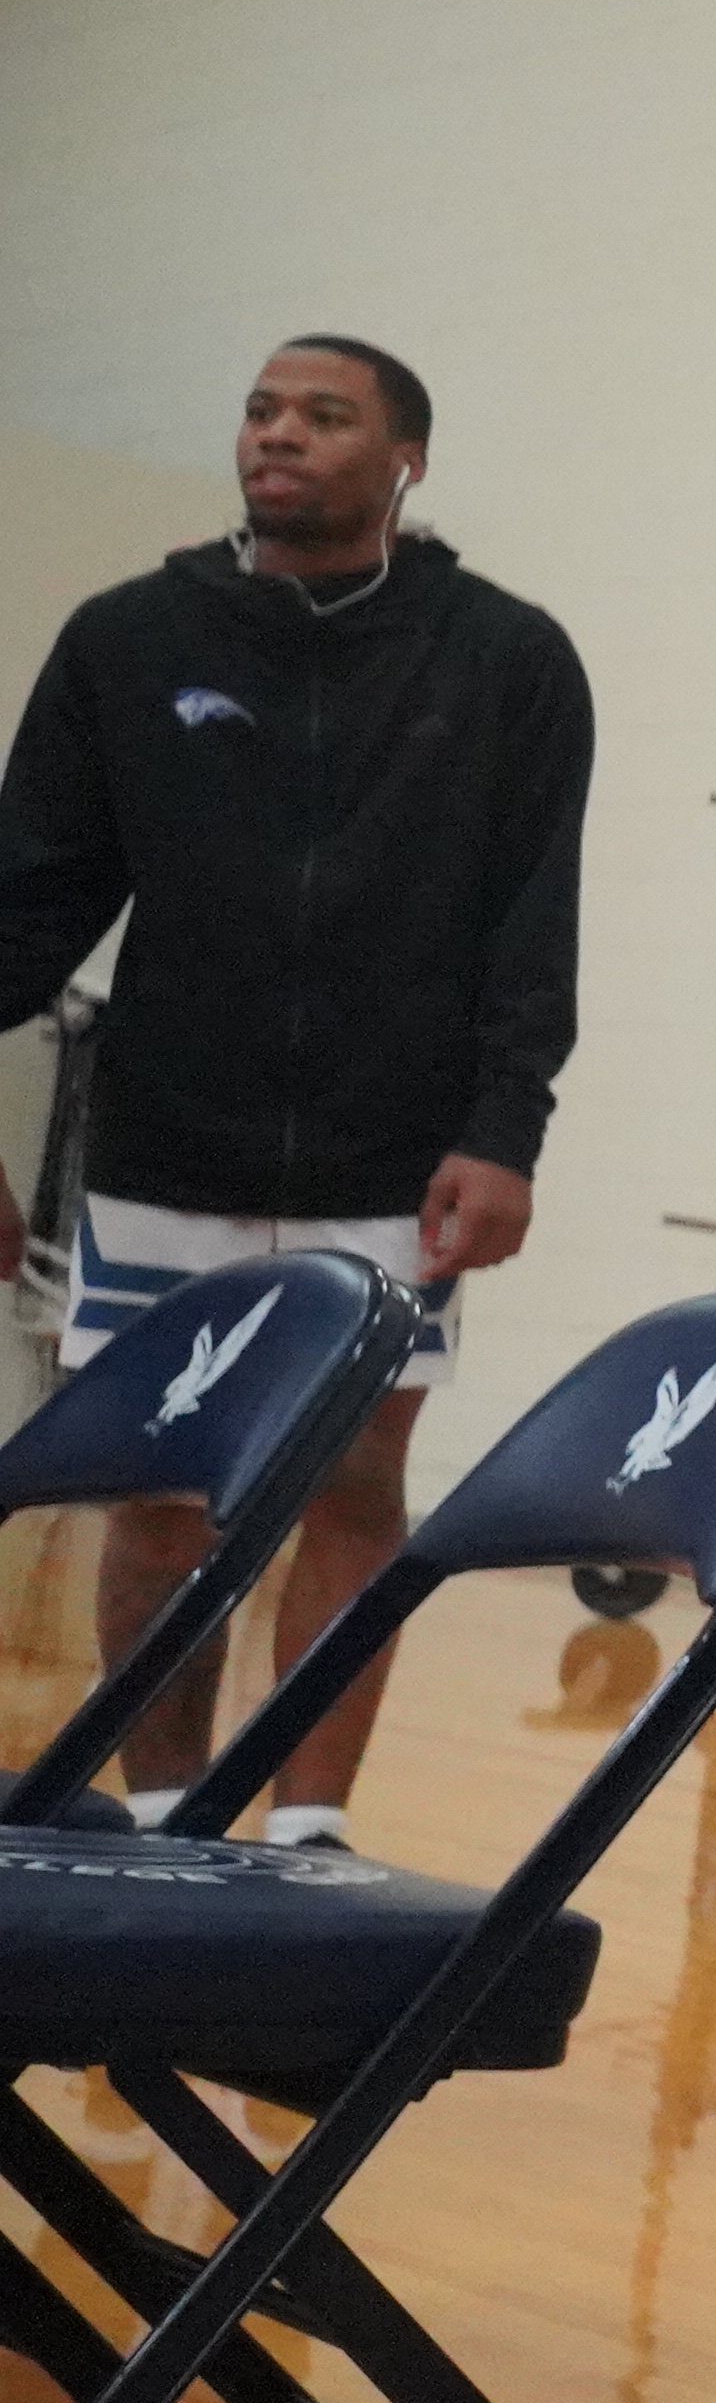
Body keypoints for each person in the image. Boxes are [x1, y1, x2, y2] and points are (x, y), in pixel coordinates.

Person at [0, 335, 587, 1849]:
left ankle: (308, 1830)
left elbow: (533, 923)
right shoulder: (125, 642)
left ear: (407, 459)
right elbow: (28, 904)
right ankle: (161, 1804)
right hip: (163, 1155)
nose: (281, 436)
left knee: (350, 1489)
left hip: (394, 1166)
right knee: (158, 1500)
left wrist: (504, 1130)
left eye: (327, 416)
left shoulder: (509, 659)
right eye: (263, 411)